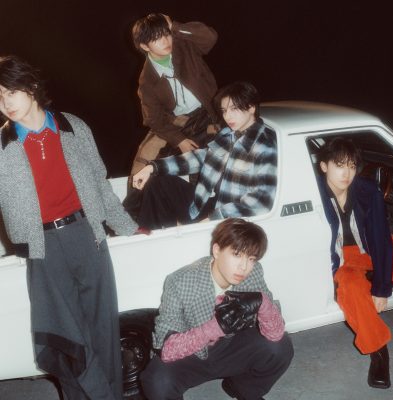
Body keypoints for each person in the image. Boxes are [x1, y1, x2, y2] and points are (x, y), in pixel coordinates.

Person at [0, 55, 138, 400]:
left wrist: (127, 226)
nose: (5, 103)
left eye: (10, 92)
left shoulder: (72, 126)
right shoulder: (2, 145)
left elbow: (100, 183)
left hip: (86, 235)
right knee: (65, 339)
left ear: (31, 87)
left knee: (103, 330)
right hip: (42, 247)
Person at [141, 218, 293, 399]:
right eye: (236, 254)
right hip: (192, 354)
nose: (244, 267)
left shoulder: (253, 273)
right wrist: (214, 328)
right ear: (217, 250)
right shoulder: (180, 281)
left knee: (281, 347)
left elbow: (275, 333)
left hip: (233, 348)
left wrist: (263, 303)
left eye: (251, 258)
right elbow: (168, 350)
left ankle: (242, 388)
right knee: (156, 380)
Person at [132, 81, 277, 229]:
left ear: (251, 107)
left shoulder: (265, 147)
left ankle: (168, 236)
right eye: (224, 110)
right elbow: (201, 158)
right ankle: (153, 234)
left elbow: (261, 202)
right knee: (157, 182)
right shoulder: (228, 134)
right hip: (206, 204)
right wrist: (152, 167)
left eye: (234, 109)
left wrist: (213, 219)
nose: (227, 116)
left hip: (229, 221)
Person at [317, 137, 393, 389]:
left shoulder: (367, 190)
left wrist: (381, 288)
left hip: (371, 247)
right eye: (339, 165)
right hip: (343, 259)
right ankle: (379, 351)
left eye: (352, 166)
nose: (347, 173)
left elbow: (380, 238)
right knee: (352, 289)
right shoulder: (313, 193)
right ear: (324, 166)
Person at [130, 13, 219, 177]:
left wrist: (175, 27)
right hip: (180, 122)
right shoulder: (146, 80)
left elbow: (210, 37)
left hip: (210, 111)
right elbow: (154, 119)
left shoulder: (184, 46)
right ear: (144, 46)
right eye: (157, 38)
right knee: (147, 163)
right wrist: (180, 140)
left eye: (166, 34)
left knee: (212, 160)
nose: (165, 41)